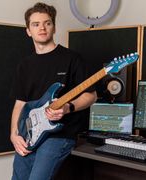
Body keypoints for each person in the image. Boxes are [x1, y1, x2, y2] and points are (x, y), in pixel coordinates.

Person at [10, 2, 97, 180]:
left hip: (59, 135)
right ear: (28, 30)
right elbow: (20, 103)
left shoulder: (72, 59)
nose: (42, 28)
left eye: (47, 23)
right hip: (29, 133)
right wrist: (14, 134)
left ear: (54, 27)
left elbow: (91, 95)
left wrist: (68, 108)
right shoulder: (24, 65)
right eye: (36, 24)